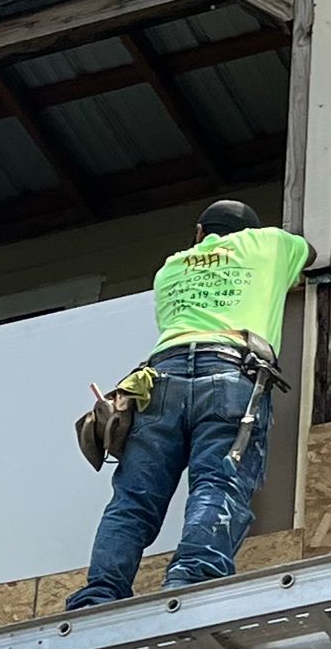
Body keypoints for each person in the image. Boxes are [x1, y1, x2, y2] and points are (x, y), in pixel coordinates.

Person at [67, 201, 313, 610]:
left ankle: (100, 593)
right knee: (217, 483)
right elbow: (308, 254)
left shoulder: (171, 268)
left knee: (133, 499)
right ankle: (192, 577)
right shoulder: (269, 244)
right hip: (231, 372)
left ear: (199, 232)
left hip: (161, 381)